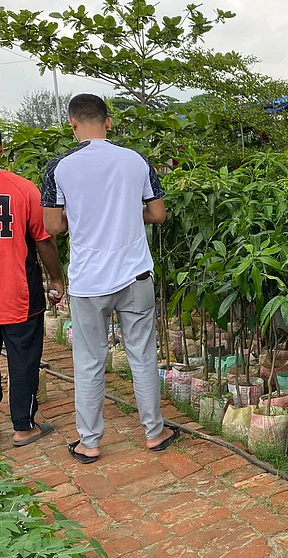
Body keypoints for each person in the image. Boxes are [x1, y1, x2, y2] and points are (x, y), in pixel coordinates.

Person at [41, 94, 178, 464]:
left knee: (88, 360)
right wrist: (130, 217)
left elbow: (52, 225)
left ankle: (90, 442)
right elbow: (158, 214)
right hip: (135, 275)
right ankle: (154, 432)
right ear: (108, 121)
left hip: (88, 280)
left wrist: (82, 219)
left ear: (72, 124)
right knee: (142, 354)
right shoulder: (136, 160)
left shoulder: (59, 166)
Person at [0, 129, 64, 445]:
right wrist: (55, 278)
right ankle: (23, 427)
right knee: (23, 360)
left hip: (15, 293)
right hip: (16, 293)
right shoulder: (22, 189)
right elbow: (44, 240)